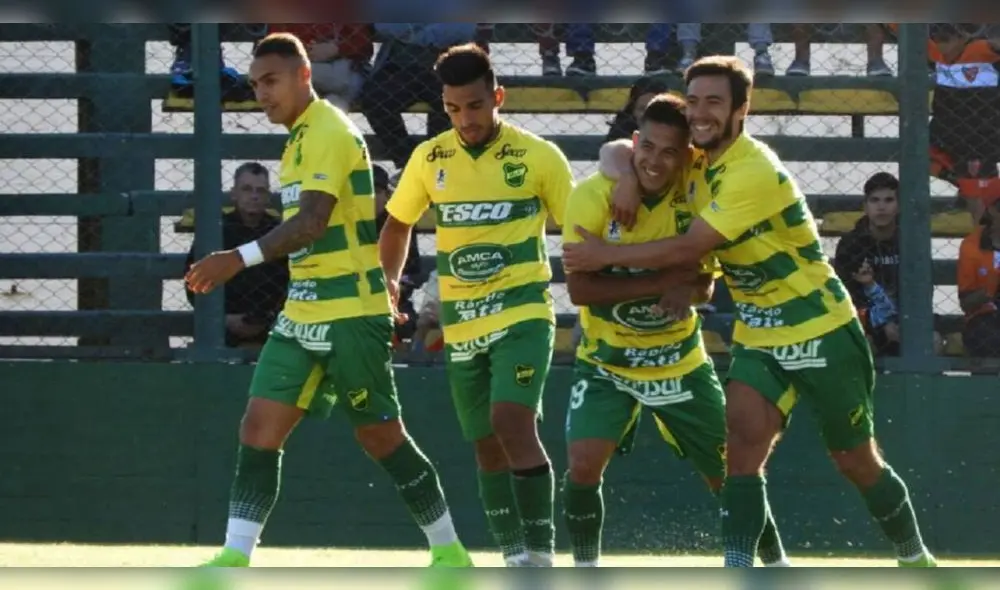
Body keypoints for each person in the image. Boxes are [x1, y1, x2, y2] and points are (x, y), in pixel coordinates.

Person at [563, 55, 936, 568]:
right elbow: (622, 148)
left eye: (713, 102)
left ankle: (915, 558)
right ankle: (742, 572)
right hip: (759, 335)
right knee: (740, 453)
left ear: (743, 108)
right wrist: (627, 175)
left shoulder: (752, 169)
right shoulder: (693, 161)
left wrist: (605, 256)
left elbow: (688, 248)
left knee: (855, 460)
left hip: (822, 327)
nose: (700, 113)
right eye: (693, 101)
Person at [183, 32, 472, 569]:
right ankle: (234, 557)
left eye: (271, 81)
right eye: (254, 84)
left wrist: (236, 258)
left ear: (303, 76)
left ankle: (450, 551)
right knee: (258, 427)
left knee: (382, 437)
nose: (261, 93)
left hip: (349, 313)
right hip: (302, 313)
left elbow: (312, 223)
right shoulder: (295, 140)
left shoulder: (328, 131)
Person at [560, 93, 789, 568]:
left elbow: (708, 279)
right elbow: (581, 291)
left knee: (732, 474)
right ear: (635, 143)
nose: (655, 161)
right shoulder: (592, 195)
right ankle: (584, 569)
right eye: (648, 148)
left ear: (686, 156)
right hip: (607, 362)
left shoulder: (698, 194)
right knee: (581, 467)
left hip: (679, 362)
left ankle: (774, 565)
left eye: (670, 152)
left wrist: (695, 285)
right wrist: (669, 279)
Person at [378, 43, 575, 567]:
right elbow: (397, 224)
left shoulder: (539, 157)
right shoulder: (430, 157)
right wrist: (389, 283)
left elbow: (577, 231)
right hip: (462, 322)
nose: (465, 119)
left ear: (498, 98)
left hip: (523, 311)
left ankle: (541, 555)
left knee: (511, 420)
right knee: (486, 445)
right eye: (454, 108)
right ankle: (514, 558)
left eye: (475, 105)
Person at [184, 162, 288, 349]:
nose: (254, 196)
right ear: (234, 194)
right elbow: (192, 279)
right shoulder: (215, 231)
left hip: (272, 322)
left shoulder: (278, 233)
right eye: (247, 189)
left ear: (268, 197)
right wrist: (223, 318)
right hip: (223, 322)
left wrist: (270, 317)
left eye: (261, 191)